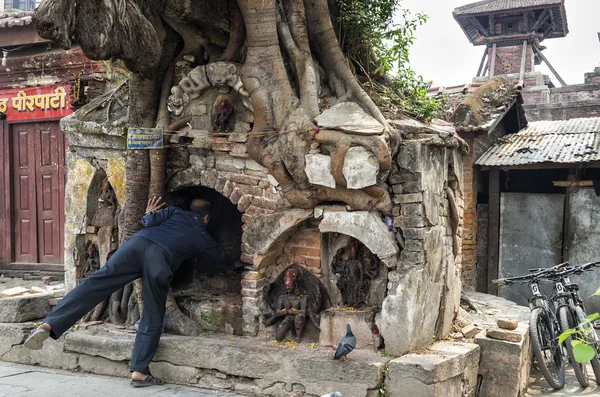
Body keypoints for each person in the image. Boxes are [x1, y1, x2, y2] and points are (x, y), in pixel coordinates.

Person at [23, 197, 231, 387]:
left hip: (134, 246)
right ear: (206, 217)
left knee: (95, 284)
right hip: (160, 261)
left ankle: (50, 323)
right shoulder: (202, 235)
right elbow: (220, 261)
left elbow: (148, 221)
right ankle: (140, 371)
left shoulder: (174, 211)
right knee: (153, 312)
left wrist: (149, 213)